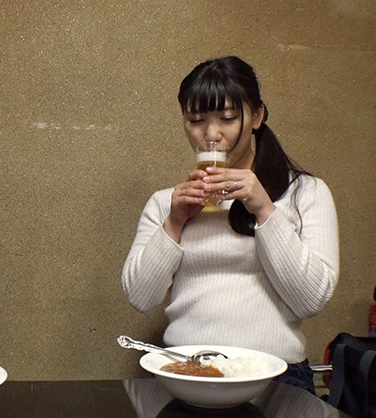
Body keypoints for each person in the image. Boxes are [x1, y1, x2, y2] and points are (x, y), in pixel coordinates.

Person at [121, 56, 339, 393]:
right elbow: (140, 297)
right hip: (186, 370)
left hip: (275, 375)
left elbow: (311, 300)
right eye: (196, 120)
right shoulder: (167, 202)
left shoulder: (305, 193)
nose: (211, 135)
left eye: (227, 118)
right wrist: (175, 222)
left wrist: (264, 209)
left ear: (257, 116)